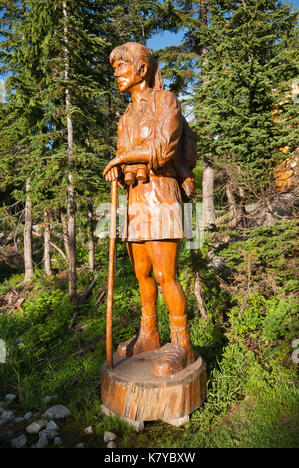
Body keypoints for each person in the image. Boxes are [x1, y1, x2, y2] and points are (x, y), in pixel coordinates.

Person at [103, 42, 194, 377]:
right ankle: (149, 334)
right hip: (136, 199)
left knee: (163, 274)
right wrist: (119, 170)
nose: (116, 74)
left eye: (121, 67)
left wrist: (124, 158)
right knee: (141, 273)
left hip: (162, 195)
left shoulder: (165, 101)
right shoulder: (126, 116)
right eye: (114, 69)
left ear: (141, 69)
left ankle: (182, 343)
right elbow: (124, 159)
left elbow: (165, 147)